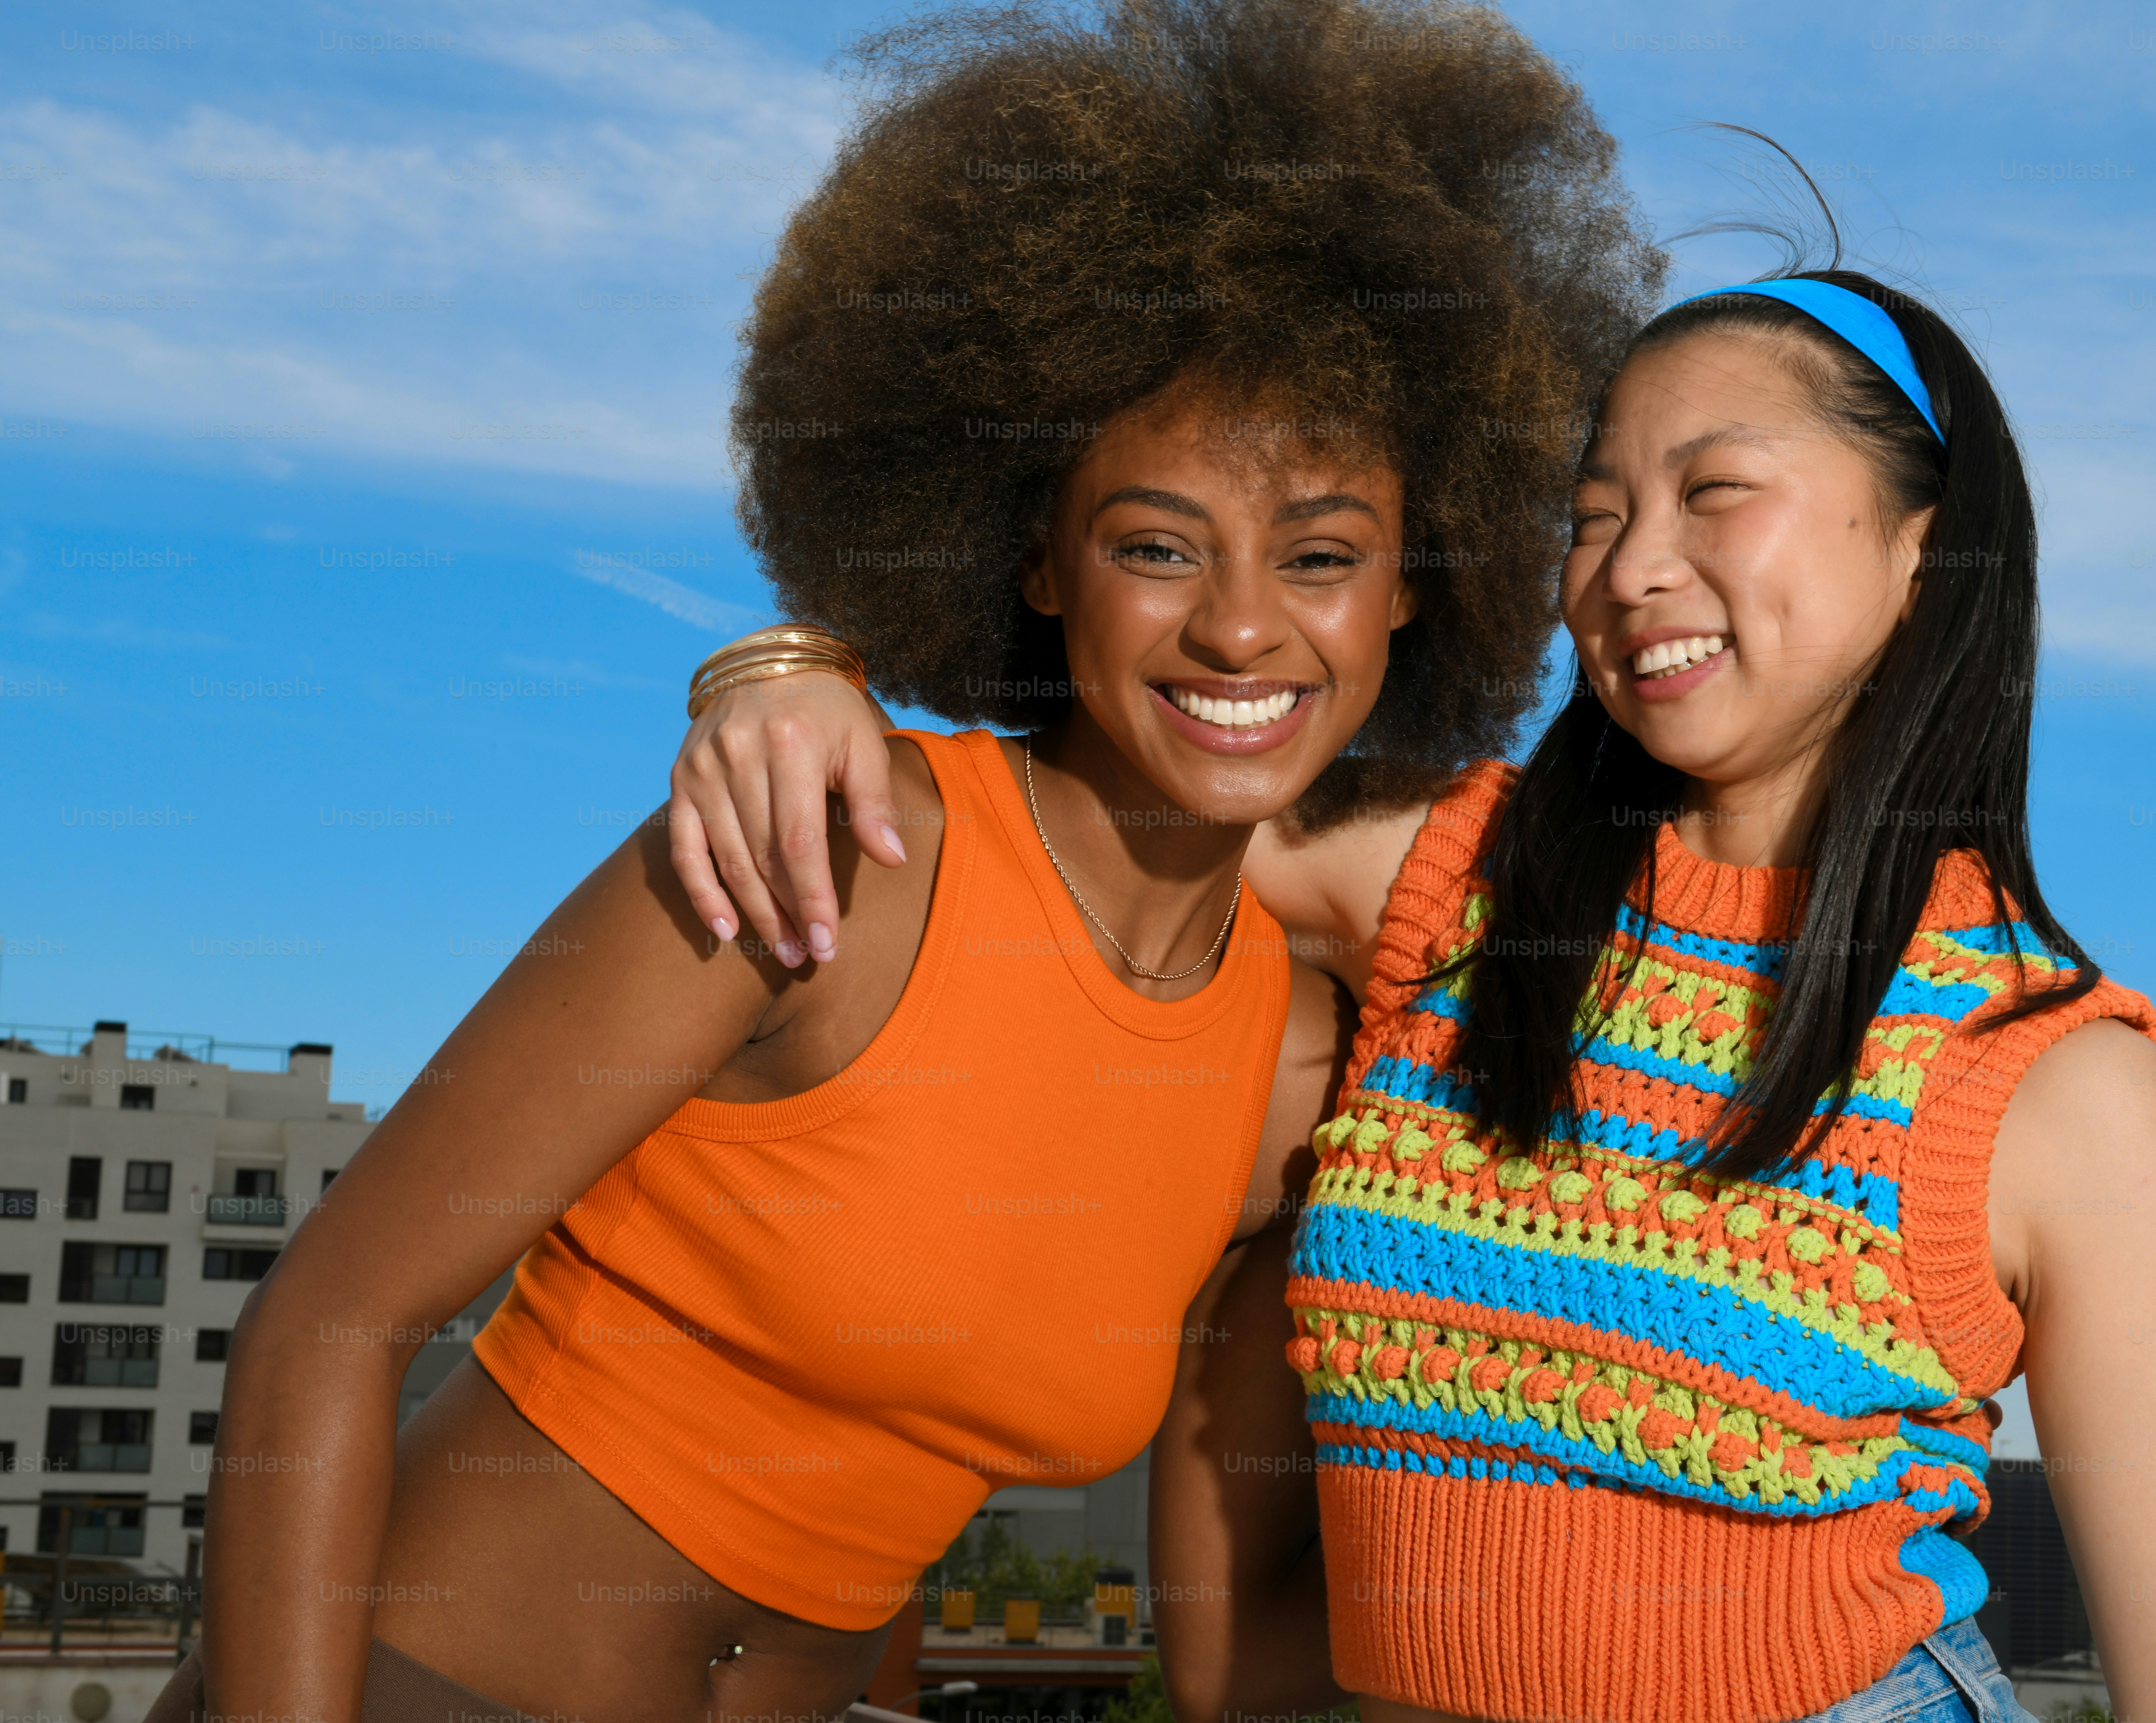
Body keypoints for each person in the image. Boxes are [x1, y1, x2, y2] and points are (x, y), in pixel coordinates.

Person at [153, 3, 1656, 1719]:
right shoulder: (825, 857)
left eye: (1320, 556)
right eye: (1158, 545)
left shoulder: (1295, 1068)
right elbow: (323, 1330)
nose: (1241, 625)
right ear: (1038, 563)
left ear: (1416, 588)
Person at [667, 256, 2156, 1719]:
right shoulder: (1446, 884)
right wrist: (796, 678)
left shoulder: (2050, 1081)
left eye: (1712, 492)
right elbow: (1078, 785)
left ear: (1924, 555)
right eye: (1592, 518)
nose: (1628, 569)